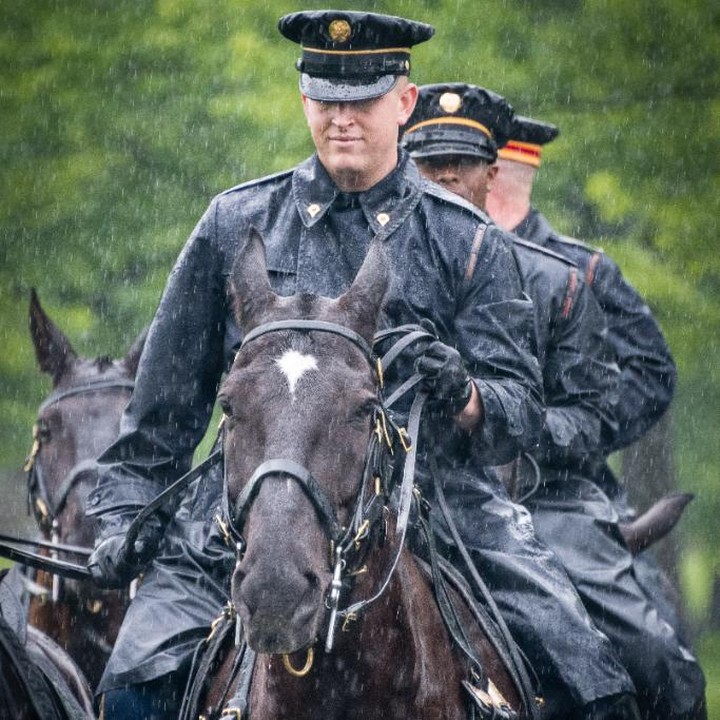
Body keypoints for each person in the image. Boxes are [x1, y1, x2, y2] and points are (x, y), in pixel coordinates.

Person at [87, 12, 633, 720]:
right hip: (245, 516)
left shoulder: (464, 240)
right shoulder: (232, 224)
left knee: (595, 683)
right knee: (129, 689)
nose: (342, 119)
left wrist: (465, 395)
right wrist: (122, 519)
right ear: (305, 100)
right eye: (326, 100)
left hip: (444, 513)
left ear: (403, 103)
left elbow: (520, 413)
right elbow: (160, 416)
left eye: (363, 101)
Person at [481, 110, 707, 718]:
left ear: (492, 172)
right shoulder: (421, 256)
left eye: (462, 167)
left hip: (559, 490)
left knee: (655, 659)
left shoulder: (580, 269)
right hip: (441, 484)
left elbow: (651, 373)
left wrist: (567, 434)